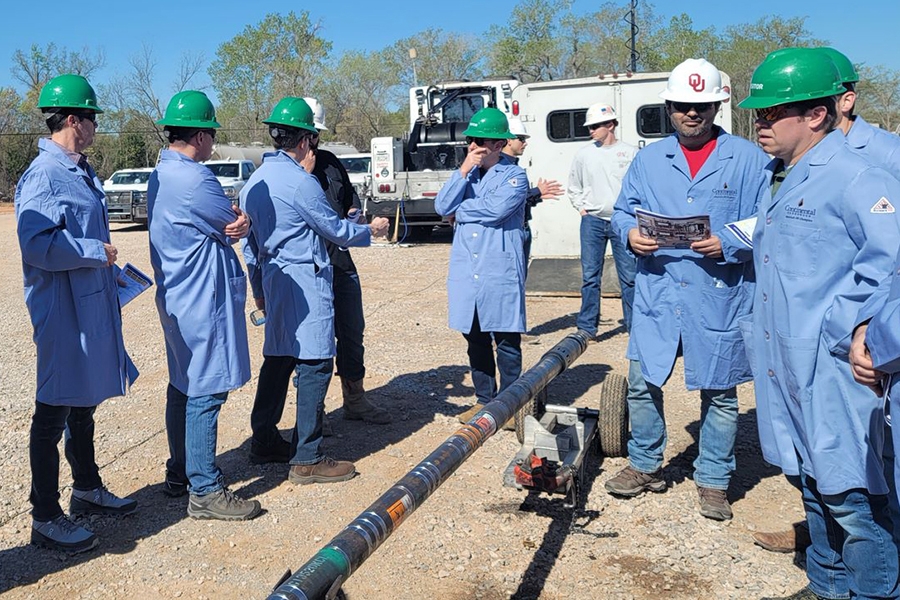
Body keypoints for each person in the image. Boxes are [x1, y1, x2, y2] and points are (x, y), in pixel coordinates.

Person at [738, 48, 900, 600]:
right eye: (757, 113)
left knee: (856, 500)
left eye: (769, 113)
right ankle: (828, 586)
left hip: (833, 370)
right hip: (790, 365)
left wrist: (847, 328)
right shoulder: (780, 175)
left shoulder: (859, 175)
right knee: (810, 483)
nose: (758, 122)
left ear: (816, 114)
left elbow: (889, 265)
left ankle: (876, 591)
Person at [606, 59, 769, 521]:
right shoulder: (649, 159)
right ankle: (644, 464)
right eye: (682, 106)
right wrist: (628, 235)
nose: (691, 114)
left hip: (717, 289)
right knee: (642, 383)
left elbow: (769, 219)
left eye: (701, 106)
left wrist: (732, 241)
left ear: (716, 105)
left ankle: (714, 479)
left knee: (718, 391)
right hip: (660, 289)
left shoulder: (749, 159)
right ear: (670, 108)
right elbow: (622, 211)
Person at [16, 74, 139, 553]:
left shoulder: (77, 169)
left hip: (83, 308)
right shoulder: (44, 175)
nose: (94, 127)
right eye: (91, 118)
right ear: (73, 120)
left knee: (82, 403)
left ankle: (86, 488)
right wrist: (94, 251)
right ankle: (45, 516)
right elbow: (38, 244)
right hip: (60, 313)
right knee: (52, 412)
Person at [242, 97, 389, 484]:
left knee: (277, 357)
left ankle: (264, 439)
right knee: (316, 361)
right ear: (306, 140)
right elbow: (334, 229)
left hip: (274, 278)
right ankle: (307, 455)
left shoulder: (254, 182)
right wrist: (369, 232)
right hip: (306, 279)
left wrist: (257, 286)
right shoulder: (301, 183)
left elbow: (249, 245)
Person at [148, 90, 260, 521]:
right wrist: (243, 222)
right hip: (200, 295)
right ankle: (205, 489)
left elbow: (220, 222)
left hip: (177, 292)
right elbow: (230, 220)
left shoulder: (162, 173)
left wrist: (231, 224)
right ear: (198, 134)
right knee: (206, 389)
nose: (213, 142)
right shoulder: (196, 179)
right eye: (211, 133)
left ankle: (179, 472)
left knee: (182, 381)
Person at [434, 108, 529, 425]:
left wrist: (460, 211)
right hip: (468, 268)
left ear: (499, 145)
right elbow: (440, 206)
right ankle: (485, 400)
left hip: (498, 267)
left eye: (482, 142)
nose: (475, 147)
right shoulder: (465, 175)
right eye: (471, 141)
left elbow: (495, 210)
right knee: (475, 338)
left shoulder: (515, 176)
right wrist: (462, 171)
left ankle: (512, 401)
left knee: (506, 338)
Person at [568, 103, 638, 334]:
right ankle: (587, 327)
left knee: (629, 277)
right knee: (590, 276)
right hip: (593, 221)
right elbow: (574, 186)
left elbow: (639, 187)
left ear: (610, 125)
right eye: (589, 127)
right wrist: (582, 209)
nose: (591, 131)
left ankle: (634, 325)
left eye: (595, 126)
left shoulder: (630, 153)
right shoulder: (583, 155)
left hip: (622, 222)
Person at [502, 116, 562, 265]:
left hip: (521, 228)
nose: (525, 143)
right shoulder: (501, 168)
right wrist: (536, 192)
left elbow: (519, 199)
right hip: (512, 231)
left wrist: (537, 196)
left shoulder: (513, 166)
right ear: (509, 140)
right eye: (521, 139)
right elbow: (508, 200)